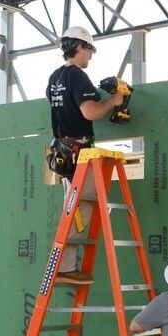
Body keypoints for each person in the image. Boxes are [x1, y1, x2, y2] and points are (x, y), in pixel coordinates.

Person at [46, 26, 124, 285]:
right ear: (79, 47)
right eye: (89, 50)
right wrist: (111, 102)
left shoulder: (55, 77)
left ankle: (65, 265)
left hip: (62, 150)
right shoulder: (78, 77)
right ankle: (66, 268)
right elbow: (89, 112)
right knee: (82, 208)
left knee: (73, 206)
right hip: (79, 152)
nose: (90, 56)